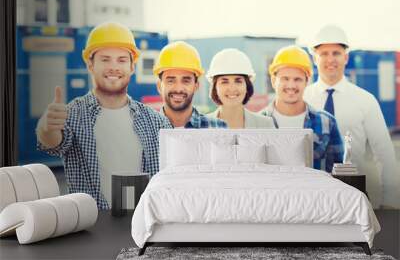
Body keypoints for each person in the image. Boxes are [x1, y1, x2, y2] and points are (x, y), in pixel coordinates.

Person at [36, 22, 172, 209]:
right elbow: (52, 142)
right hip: (92, 227)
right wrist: (47, 127)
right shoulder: (73, 114)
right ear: (90, 65)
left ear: (132, 67)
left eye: (122, 60)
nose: (113, 67)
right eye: (105, 59)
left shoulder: (156, 121)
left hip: (144, 223)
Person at [304, 24, 400, 208]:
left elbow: (384, 153)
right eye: (324, 53)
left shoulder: (365, 100)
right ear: (315, 58)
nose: (330, 59)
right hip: (311, 199)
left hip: (354, 197)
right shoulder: (303, 99)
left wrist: (389, 202)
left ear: (346, 57)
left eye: (336, 53)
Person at [260, 45, 344, 172]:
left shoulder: (326, 123)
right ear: (273, 81)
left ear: (306, 82)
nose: (291, 85)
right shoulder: (257, 123)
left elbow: (338, 176)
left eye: (297, 79)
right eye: (285, 79)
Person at [154, 41, 227, 128]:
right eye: (171, 81)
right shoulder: (145, 130)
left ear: (196, 86)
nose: (178, 89)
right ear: (159, 86)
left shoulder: (217, 128)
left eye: (186, 81)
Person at [205, 48, 274, 128]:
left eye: (238, 81)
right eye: (224, 82)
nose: (232, 88)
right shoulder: (201, 127)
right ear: (215, 87)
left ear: (247, 86)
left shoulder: (265, 125)